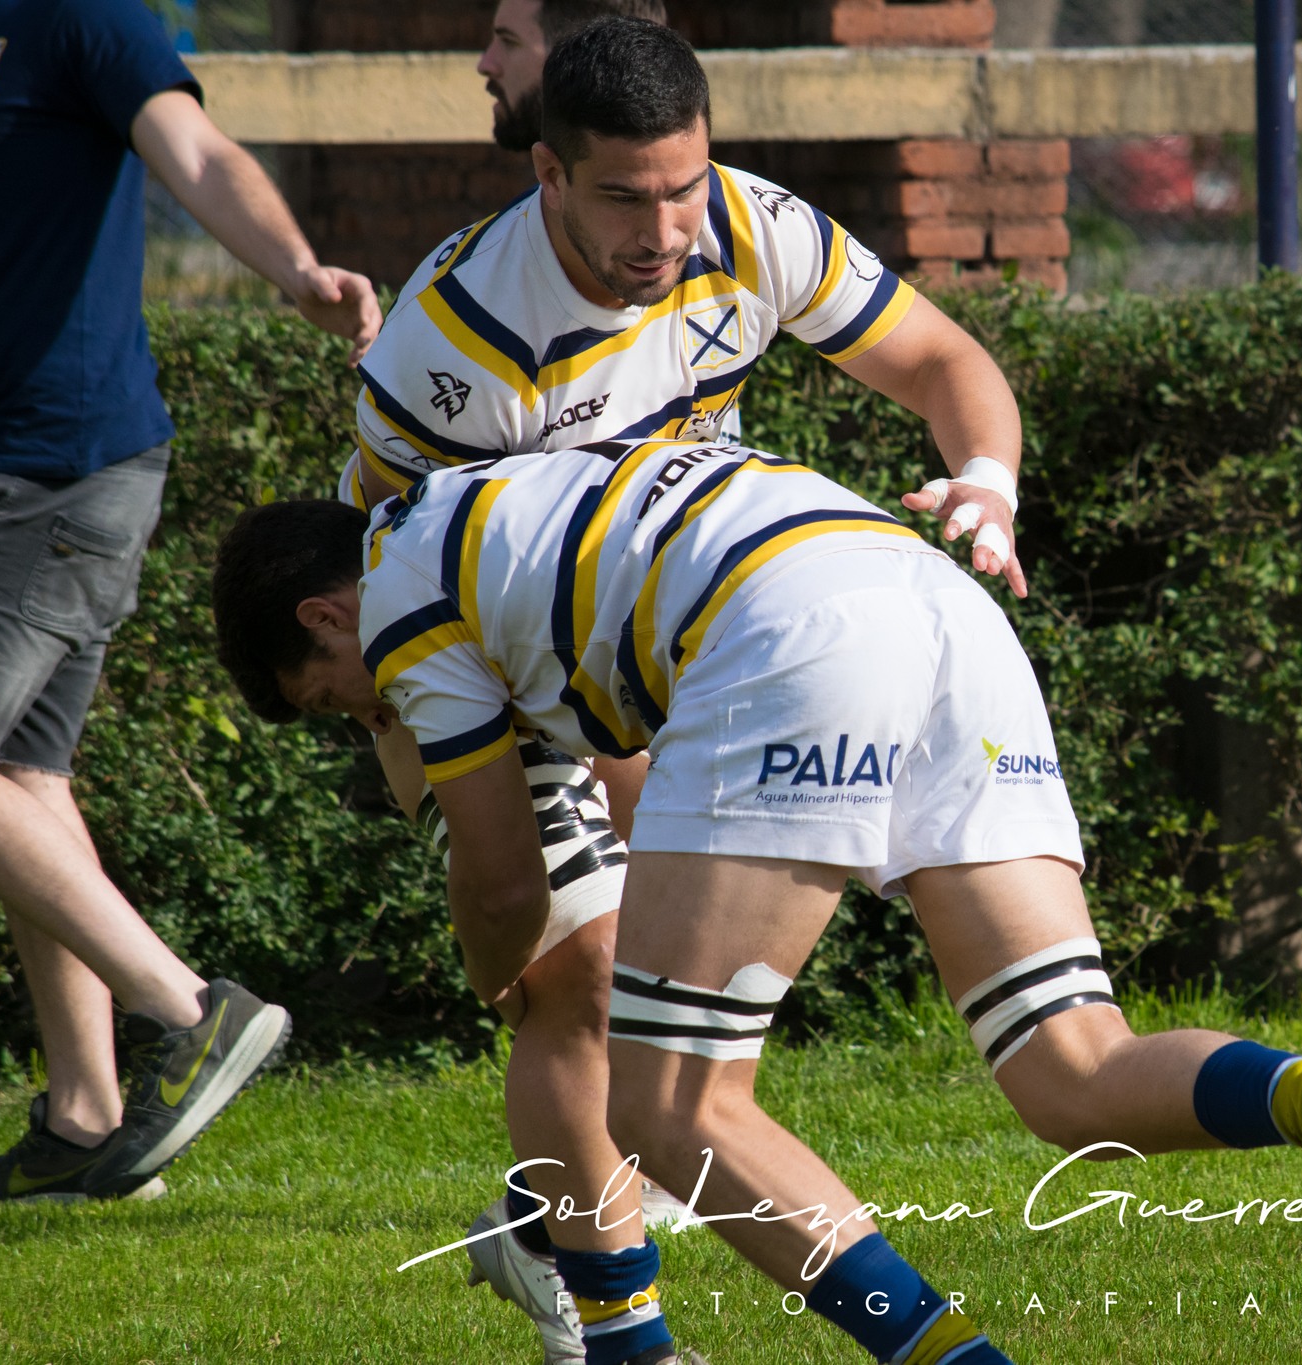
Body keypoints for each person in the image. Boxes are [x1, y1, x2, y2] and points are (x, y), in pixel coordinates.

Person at [210, 440, 1302, 1364]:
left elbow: (503, 878)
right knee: (1074, 1068)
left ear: (326, 622)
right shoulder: (508, 511)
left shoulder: (400, 599)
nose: (364, 714)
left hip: (787, 631)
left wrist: (492, 966)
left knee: (669, 1106)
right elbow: (632, 775)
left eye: (335, 701)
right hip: (929, 605)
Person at [333, 17, 1031, 1361]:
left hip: (663, 611)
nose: (666, 227)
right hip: (466, 630)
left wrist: (986, 484)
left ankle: (545, 1226)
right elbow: (410, 580)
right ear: (547, 175)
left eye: (683, 185)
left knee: (675, 999)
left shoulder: (753, 227)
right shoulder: (452, 344)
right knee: (575, 978)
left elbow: (944, 365)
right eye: (624, 195)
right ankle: (619, 1332)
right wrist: (507, 871)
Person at [0, 0, 380, 1208]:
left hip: (43, 467)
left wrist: (295, 269)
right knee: (24, 777)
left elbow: (196, 151)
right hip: (39, 464)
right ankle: (90, 1118)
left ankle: (190, 1013)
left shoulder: (85, 18)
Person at [478, 0, 668, 155]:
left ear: (581, 54)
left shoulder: (684, 199)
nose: (485, 64)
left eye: (509, 41)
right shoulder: (535, 201)